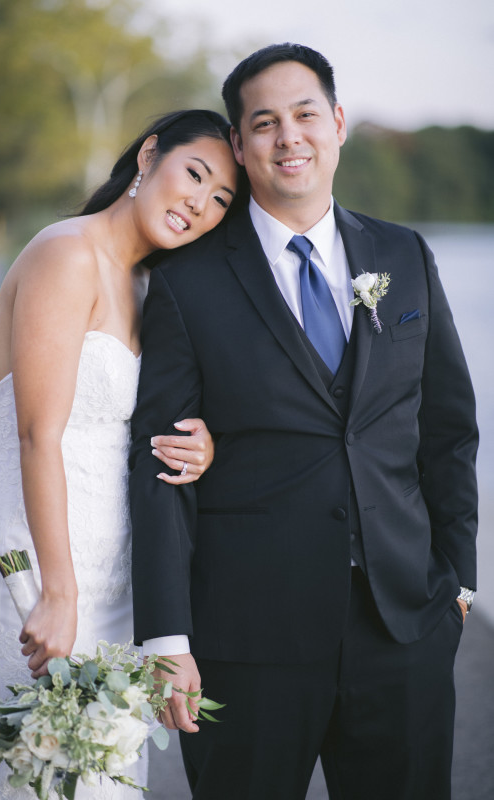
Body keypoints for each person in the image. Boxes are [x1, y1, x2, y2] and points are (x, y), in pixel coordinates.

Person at [128, 44, 479, 800]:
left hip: (404, 630)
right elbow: (158, 466)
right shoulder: (186, 282)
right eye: (263, 122)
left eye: (304, 114)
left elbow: (448, 430)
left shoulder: (403, 253)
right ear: (238, 146)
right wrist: (166, 637)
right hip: (246, 641)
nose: (288, 137)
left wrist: (458, 585)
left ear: (338, 124)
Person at [0, 109, 239, 800]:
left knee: (107, 777)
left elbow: (140, 427)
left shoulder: (151, 286)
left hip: (116, 583)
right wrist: (57, 592)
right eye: (194, 175)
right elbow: (38, 434)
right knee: (39, 775)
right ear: (149, 155)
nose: (199, 204)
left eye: (220, 201)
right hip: (35, 567)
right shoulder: (66, 252)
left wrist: (201, 444)